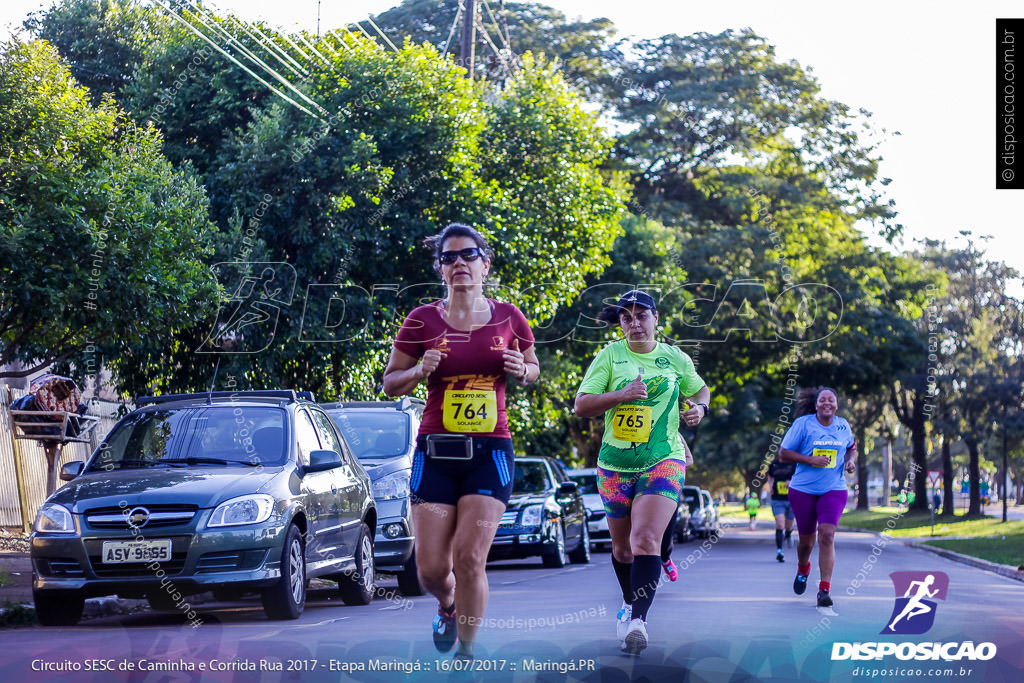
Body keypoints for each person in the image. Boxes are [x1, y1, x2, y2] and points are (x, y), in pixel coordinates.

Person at [382, 223, 538, 660]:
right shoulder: (421, 320)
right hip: (436, 452)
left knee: (470, 558)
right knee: (432, 570)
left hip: (490, 452)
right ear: (440, 270)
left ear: (485, 264)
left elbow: (532, 366)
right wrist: (418, 371)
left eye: (468, 255)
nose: (459, 264)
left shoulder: (510, 317)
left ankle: (467, 655)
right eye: (449, 258)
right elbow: (390, 383)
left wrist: (520, 370)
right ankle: (447, 605)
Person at [574, 290, 710, 654]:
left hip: (663, 457)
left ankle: (638, 621)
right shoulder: (609, 356)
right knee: (622, 549)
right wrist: (621, 395)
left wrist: (700, 409)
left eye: (641, 315)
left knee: (645, 539)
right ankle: (630, 600)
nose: (634, 323)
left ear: (656, 318)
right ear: (620, 323)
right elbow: (582, 405)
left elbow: (701, 391)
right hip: (615, 465)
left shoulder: (674, 357)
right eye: (626, 318)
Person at [779, 387, 857, 609]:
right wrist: (809, 460)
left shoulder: (843, 425)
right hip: (803, 490)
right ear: (816, 405)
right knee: (806, 543)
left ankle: (824, 589)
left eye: (831, 400)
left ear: (836, 405)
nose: (827, 403)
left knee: (827, 534)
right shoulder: (803, 425)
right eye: (822, 400)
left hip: (834, 488)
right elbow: (783, 454)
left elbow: (851, 448)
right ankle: (803, 567)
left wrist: (850, 461)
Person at [766, 457, 797, 561]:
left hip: (792, 499)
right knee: (780, 524)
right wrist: (770, 485)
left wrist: (792, 481)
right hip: (777, 499)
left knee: (789, 526)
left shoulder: (794, 463)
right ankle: (779, 551)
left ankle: (788, 534)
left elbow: (802, 477)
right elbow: (770, 476)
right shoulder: (774, 464)